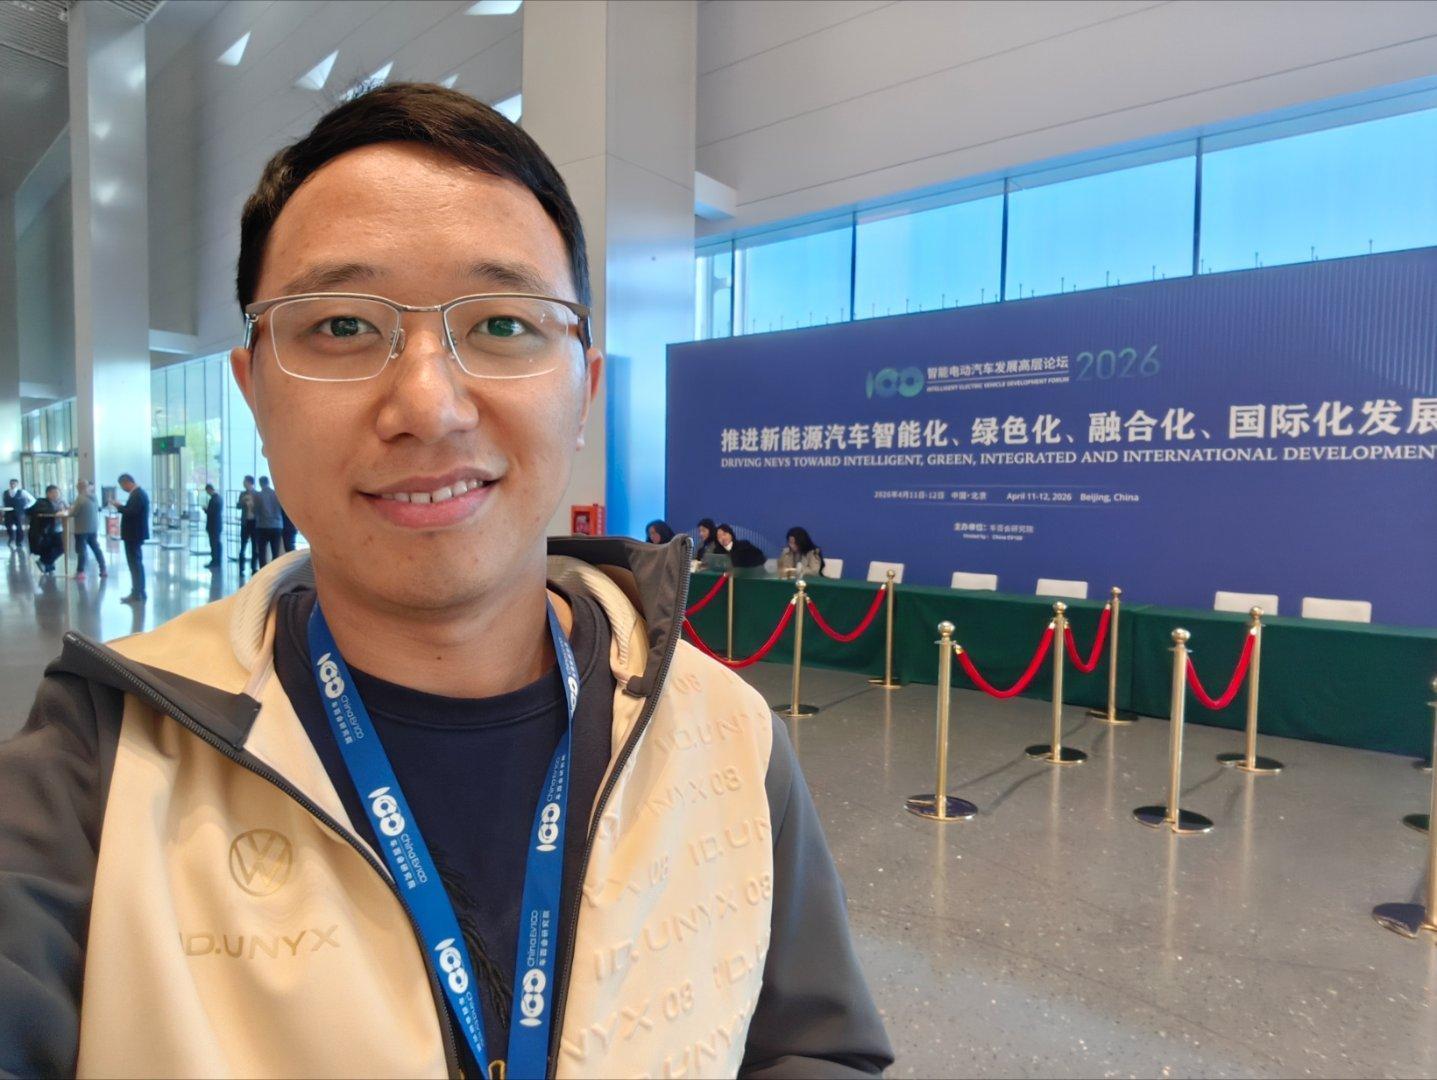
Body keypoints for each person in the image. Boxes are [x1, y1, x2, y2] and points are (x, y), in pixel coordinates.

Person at [0, 84, 891, 1078]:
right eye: (342, 325)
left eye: (502, 323)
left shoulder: (723, 733)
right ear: (254, 392)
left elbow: (814, 1051)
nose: (428, 405)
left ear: (584, 391)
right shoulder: (101, 760)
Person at [109, 472, 150, 603]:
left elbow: (132, 512)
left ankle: (137, 592)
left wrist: (119, 506)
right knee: (136, 563)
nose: (123, 488)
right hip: (135, 534)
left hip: (133, 534)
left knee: (134, 564)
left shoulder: (137, 495)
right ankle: (139, 591)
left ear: (127, 483)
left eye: (122, 486)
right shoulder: (138, 494)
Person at [66, 480, 106, 581]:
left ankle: (80, 572)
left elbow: (73, 513)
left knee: (81, 551)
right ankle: (103, 569)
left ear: (78, 487)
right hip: (93, 528)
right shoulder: (94, 497)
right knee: (96, 548)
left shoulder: (80, 498)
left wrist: (69, 510)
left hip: (81, 529)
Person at [27, 486, 65, 575]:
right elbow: (45, 511)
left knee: (60, 547)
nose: (56, 495)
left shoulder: (60, 502)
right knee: (56, 547)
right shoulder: (42, 502)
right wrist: (56, 512)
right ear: (48, 493)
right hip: (45, 531)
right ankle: (45, 563)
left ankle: (45, 564)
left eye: (57, 493)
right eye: (54, 493)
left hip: (56, 529)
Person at [254, 475, 284, 566]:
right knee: (275, 551)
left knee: (262, 551)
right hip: (277, 525)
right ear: (268, 482)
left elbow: (256, 510)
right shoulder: (277, 494)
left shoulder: (258, 495)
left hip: (262, 526)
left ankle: (263, 569)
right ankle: (275, 569)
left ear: (260, 484)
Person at [232, 475, 258, 572]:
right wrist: (243, 502)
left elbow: (260, 508)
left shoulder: (257, 494)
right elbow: (238, 506)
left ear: (250, 483)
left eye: (245, 481)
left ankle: (254, 567)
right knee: (243, 545)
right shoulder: (242, 494)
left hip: (255, 523)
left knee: (255, 546)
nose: (243, 483)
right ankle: (241, 568)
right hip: (245, 522)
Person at [3, 479, 30, 550]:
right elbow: (3, 502)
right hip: (8, 512)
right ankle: (11, 538)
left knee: (19, 527)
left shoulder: (22, 492)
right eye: (11, 483)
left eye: (14, 483)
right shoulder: (5, 492)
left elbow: (32, 500)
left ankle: (19, 541)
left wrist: (25, 507)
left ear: (17, 484)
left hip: (19, 512)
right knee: (8, 526)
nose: (12, 485)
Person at [203, 483, 223, 568]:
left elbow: (211, 512)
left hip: (213, 525)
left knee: (214, 543)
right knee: (216, 543)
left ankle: (215, 560)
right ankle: (217, 560)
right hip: (217, 524)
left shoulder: (214, 500)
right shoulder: (219, 498)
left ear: (209, 490)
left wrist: (206, 510)